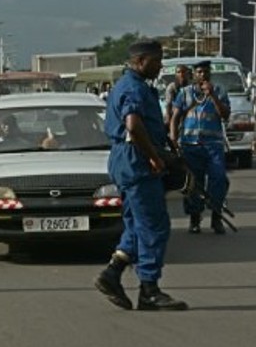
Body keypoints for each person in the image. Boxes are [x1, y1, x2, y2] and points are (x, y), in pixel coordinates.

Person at [93, 40, 188, 312]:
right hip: (137, 161)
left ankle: (112, 273)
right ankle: (149, 290)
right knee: (154, 225)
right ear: (141, 61)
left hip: (126, 160)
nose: (160, 67)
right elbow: (133, 126)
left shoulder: (129, 84)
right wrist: (155, 158)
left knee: (136, 223)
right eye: (157, 61)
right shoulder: (133, 87)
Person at [169, 60, 231, 235]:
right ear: (193, 75)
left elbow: (225, 115)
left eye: (205, 72)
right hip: (190, 146)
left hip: (213, 146)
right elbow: (175, 117)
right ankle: (194, 218)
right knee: (193, 184)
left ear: (210, 74)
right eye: (199, 72)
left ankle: (216, 216)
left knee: (218, 179)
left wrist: (213, 96)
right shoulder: (185, 93)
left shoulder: (219, 91)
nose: (202, 75)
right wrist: (174, 138)